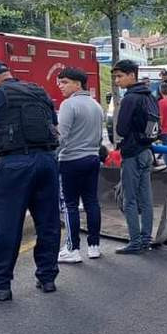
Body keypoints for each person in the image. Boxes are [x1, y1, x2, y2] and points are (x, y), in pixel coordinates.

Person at [0, 60, 61, 301]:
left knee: (7, 226)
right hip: (47, 161)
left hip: (15, 165)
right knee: (48, 222)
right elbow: (52, 125)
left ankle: (0, 285)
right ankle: (47, 278)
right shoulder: (38, 91)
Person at [55, 68, 104, 264]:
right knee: (92, 202)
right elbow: (100, 136)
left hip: (71, 160)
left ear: (78, 84)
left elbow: (62, 137)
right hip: (92, 159)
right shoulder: (96, 105)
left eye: (64, 82)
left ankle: (72, 248)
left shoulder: (68, 105)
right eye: (60, 82)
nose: (60, 86)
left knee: (70, 205)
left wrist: (53, 156)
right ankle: (94, 246)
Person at [113, 59, 156, 255]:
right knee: (146, 199)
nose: (116, 81)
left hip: (132, 152)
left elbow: (121, 129)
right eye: (115, 77)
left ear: (132, 75)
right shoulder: (150, 96)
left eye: (120, 76)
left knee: (129, 199)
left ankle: (135, 241)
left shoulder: (130, 98)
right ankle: (147, 238)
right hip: (147, 151)